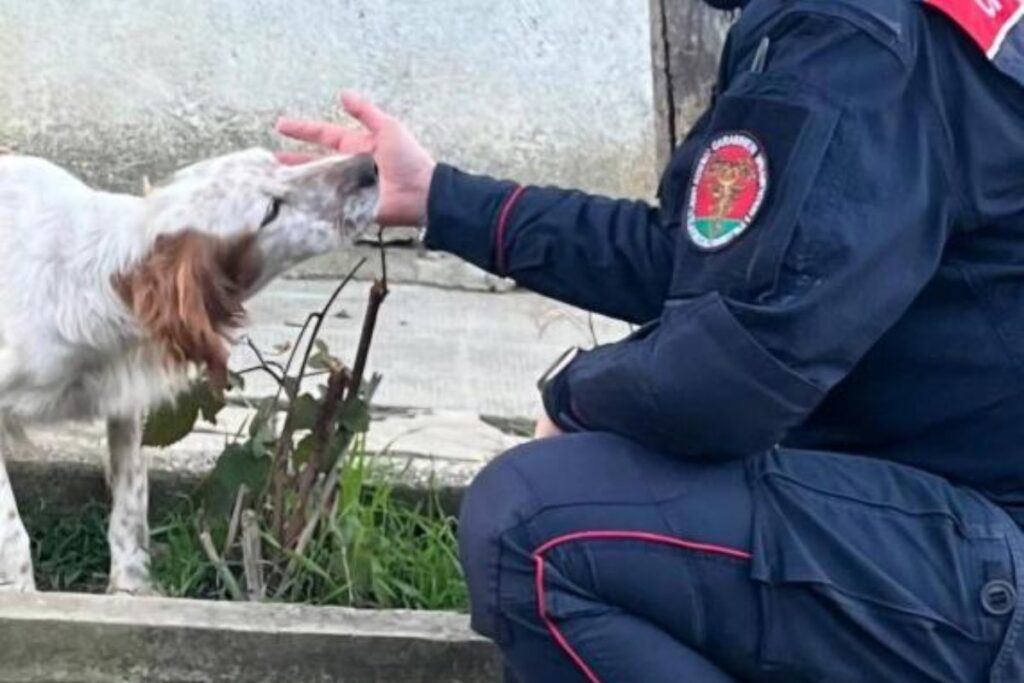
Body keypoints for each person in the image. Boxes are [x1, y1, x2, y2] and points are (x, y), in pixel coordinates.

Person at [275, 0, 1024, 679]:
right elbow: (697, 255)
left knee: (535, 528)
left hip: (983, 560)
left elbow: (735, 377)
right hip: (944, 518)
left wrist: (575, 399)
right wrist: (443, 199)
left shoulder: (858, 44)